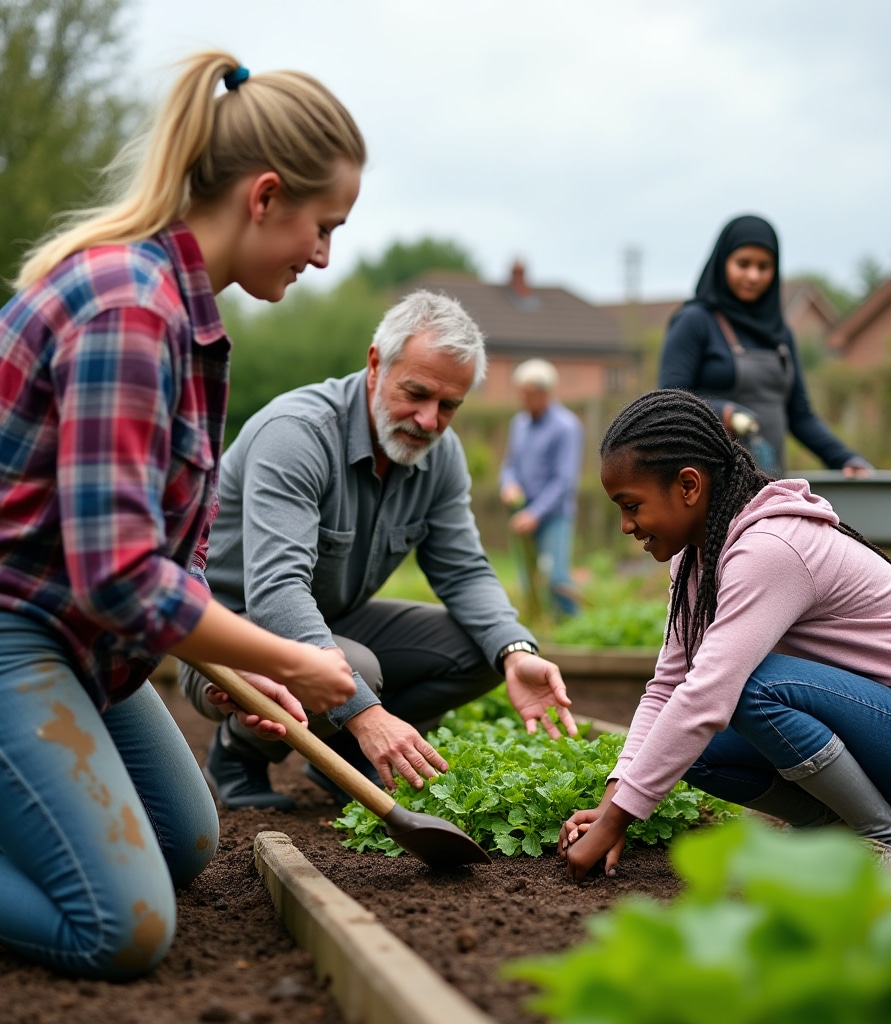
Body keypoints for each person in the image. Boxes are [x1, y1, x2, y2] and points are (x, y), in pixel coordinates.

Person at [0, 51, 366, 979]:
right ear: (266, 195)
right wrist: (288, 654)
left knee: (184, 840)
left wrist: (245, 672)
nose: (323, 255)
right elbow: (119, 574)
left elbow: (168, 566)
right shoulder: (130, 307)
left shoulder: (187, 319)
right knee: (120, 927)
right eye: (323, 227)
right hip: (18, 629)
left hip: (72, 635)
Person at [559, 389, 891, 881]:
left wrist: (617, 823)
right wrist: (612, 803)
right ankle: (833, 833)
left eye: (631, 504)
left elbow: (706, 693)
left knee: (743, 688)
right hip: (882, 729)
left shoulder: (771, 548)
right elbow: (667, 687)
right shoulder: (696, 557)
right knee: (688, 744)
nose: (625, 525)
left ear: (688, 485)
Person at [180, 290, 577, 811]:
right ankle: (239, 751)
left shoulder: (440, 456)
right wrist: (366, 711)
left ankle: (340, 755)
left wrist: (515, 650)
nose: (430, 420)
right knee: (355, 673)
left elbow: (464, 571)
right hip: (229, 640)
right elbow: (276, 591)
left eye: (449, 405)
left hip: (334, 622)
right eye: (416, 393)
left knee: (487, 647)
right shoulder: (296, 435)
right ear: (375, 364)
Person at [658, 214, 872, 477]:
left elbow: (800, 416)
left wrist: (846, 459)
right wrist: (721, 412)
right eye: (743, 263)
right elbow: (669, 403)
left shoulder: (780, 334)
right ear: (722, 262)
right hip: (708, 484)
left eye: (764, 266)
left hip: (768, 483)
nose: (753, 275)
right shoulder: (695, 321)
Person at [499, 359, 584, 618]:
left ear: (546, 393)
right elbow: (509, 465)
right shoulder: (519, 423)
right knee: (528, 581)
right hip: (522, 511)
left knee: (556, 578)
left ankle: (573, 627)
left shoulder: (567, 427)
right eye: (521, 393)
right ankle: (539, 628)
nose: (523, 400)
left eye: (529, 394)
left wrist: (534, 514)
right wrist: (508, 484)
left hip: (553, 515)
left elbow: (564, 480)